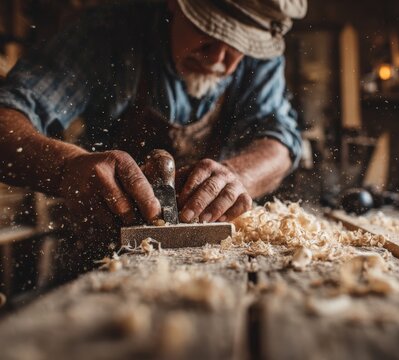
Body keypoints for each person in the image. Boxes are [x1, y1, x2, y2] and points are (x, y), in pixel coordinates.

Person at [0, 0, 306, 242]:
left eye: (235, 47)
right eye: (207, 31)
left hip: (211, 248)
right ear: (175, 3)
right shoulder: (108, 32)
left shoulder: (259, 49)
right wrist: (66, 168)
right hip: (109, 242)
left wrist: (238, 176)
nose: (216, 58)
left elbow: (281, 141)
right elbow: (6, 116)